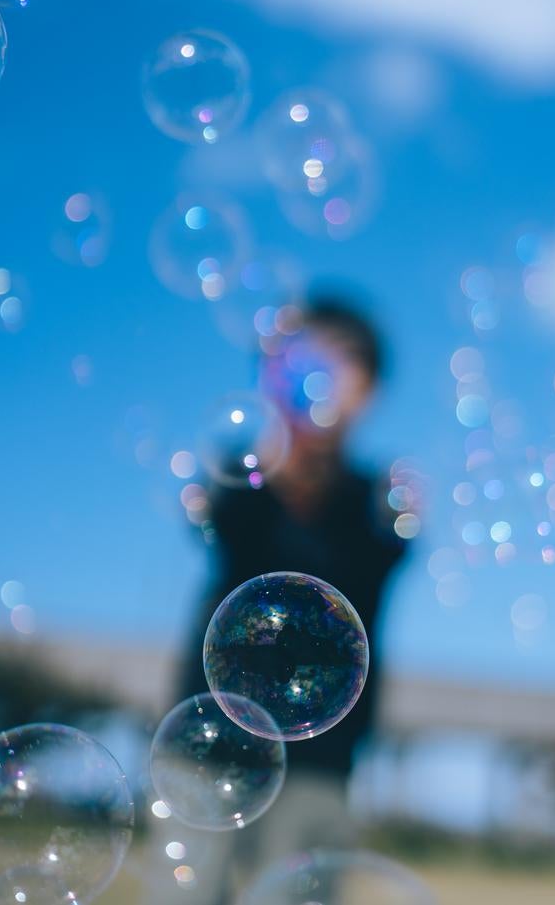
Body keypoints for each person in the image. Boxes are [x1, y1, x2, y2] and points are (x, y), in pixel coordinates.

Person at [169, 295, 407, 899]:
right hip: (210, 734)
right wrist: (282, 442)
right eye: (303, 355)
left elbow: (364, 561)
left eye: (344, 359)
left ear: (371, 391)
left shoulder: (376, 500)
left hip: (321, 756)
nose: (321, 373)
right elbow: (228, 526)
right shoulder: (240, 475)